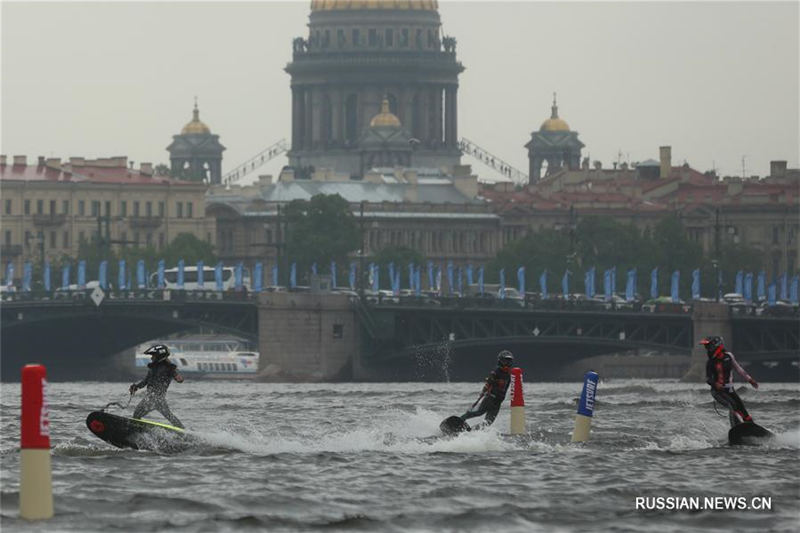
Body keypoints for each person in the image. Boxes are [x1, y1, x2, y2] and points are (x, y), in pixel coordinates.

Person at [701, 336, 759, 427]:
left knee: (742, 410)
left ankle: (751, 427)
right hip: (717, 392)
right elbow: (708, 379)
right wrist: (716, 384)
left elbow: (738, 369)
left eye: (708, 346)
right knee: (732, 406)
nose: (707, 349)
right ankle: (736, 428)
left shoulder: (729, 356)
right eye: (706, 347)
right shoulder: (710, 362)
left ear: (715, 345)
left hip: (730, 390)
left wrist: (750, 380)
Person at [129, 344, 185, 428]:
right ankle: (182, 430)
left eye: (153, 356)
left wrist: (178, 378)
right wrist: (136, 386)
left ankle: (182, 431)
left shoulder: (169, 368)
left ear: (159, 356)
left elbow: (178, 378)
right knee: (170, 416)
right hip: (153, 398)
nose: (151, 358)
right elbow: (145, 381)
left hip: (155, 399)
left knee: (136, 416)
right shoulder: (152, 369)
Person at [460, 350, 514, 428]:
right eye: (505, 361)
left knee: (488, 423)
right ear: (500, 361)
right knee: (478, 412)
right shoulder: (496, 371)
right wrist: (494, 383)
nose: (507, 364)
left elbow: (505, 388)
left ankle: (473, 431)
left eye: (509, 362)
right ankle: (460, 419)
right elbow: (488, 383)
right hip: (490, 398)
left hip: (498, 402)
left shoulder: (508, 375)